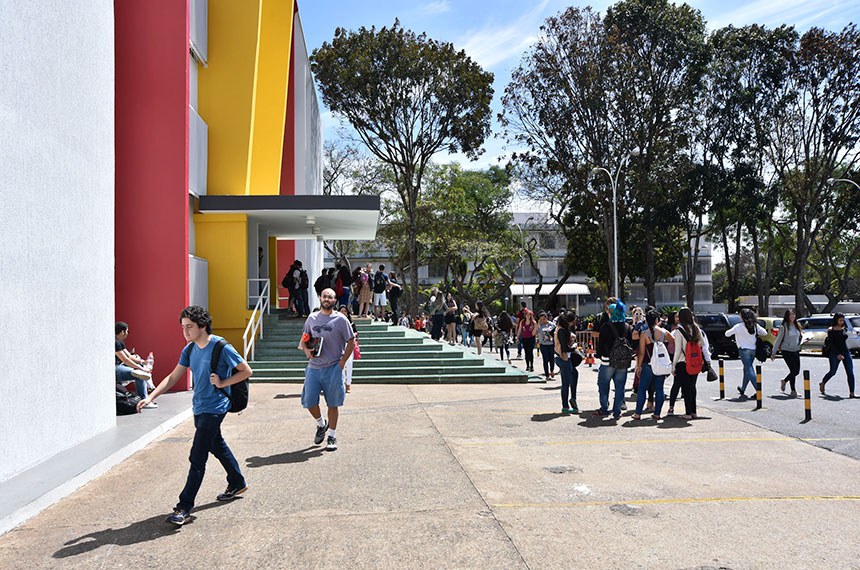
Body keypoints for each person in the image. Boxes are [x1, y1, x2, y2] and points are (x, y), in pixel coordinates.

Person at [136, 306, 253, 526]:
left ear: (203, 326)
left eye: (189, 327)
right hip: (199, 407)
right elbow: (172, 377)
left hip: (216, 407)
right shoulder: (189, 350)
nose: (185, 331)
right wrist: (151, 396)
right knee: (216, 444)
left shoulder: (221, 347)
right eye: (183, 327)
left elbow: (246, 370)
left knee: (197, 456)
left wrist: (223, 382)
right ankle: (237, 482)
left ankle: (184, 507)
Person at [300, 288, 356, 451]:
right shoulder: (311, 318)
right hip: (314, 368)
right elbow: (304, 339)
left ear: (334, 300)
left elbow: (351, 341)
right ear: (320, 298)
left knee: (333, 403)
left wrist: (342, 363)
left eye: (330, 297)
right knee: (309, 401)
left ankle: (332, 436)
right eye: (325, 296)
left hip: (333, 367)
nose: (327, 299)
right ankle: (321, 424)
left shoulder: (340, 319)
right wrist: (307, 352)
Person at [594, 301, 633, 419]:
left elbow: (600, 345)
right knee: (620, 386)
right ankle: (617, 411)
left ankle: (604, 408)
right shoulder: (627, 327)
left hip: (607, 361)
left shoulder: (606, 327)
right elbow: (631, 344)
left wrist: (600, 355)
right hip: (623, 362)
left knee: (603, 385)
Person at [633, 311, 672, 420]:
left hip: (648, 365)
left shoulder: (644, 334)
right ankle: (657, 413)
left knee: (642, 389)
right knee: (659, 389)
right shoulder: (664, 332)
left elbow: (641, 352)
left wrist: (638, 366)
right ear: (657, 320)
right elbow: (673, 341)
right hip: (660, 365)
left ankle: (638, 413)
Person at [725, 308, 767, 399]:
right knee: (746, 369)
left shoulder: (738, 326)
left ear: (742, 317)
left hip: (743, 350)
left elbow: (727, 334)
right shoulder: (755, 325)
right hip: (753, 350)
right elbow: (765, 332)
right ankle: (743, 388)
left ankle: (758, 390)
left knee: (749, 369)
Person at [670, 307, 703, 420]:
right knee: (692, 387)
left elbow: (678, 350)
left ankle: (688, 413)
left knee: (686, 388)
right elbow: (701, 343)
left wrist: (673, 365)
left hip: (682, 363)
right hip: (694, 362)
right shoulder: (696, 328)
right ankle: (694, 412)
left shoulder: (679, 331)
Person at [115, 322, 156, 406]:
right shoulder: (115, 343)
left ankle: (146, 394)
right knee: (139, 374)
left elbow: (129, 357)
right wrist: (141, 369)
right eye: (127, 331)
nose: (127, 333)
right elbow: (125, 359)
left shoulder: (120, 342)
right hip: (114, 369)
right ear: (122, 332)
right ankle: (144, 400)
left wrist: (143, 362)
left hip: (120, 367)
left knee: (140, 372)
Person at [819, 313, 856, 398]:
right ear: (836, 320)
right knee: (833, 371)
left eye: (843, 320)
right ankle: (823, 382)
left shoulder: (844, 328)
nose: (841, 322)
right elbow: (831, 343)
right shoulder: (831, 330)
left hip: (846, 352)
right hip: (834, 353)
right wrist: (837, 354)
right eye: (840, 320)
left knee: (850, 372)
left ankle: (852, 392)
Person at [772, 309, 803, 397]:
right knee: (793, 370)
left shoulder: (797, 326)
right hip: (786, 350)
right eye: (790, 315)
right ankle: (793, 391)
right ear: (787, 316)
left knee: (797, 371)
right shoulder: (784, 327)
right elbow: (778, 339)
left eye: (793, 314)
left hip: (795, 350)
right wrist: (774, 352)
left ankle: (784, 381)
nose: (792, 316)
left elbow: (799, 337)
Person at [554, 315, 578, 413]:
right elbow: (564, 348)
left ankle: (572, 399)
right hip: (563, 358)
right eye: (573, 321)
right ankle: (565, 406)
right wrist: (574, 347)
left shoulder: (559, 329)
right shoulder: (562, 331)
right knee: (565, 383)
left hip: (562, 358)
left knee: (574, 374)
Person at [339, 306, 358, 394]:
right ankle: (342, 384)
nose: (343, 313)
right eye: (341, 311)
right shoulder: (336, 322)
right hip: (339, 345)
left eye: (345, 311)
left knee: (349, 364)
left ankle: (348, 384)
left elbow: (356, 333)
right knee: (341, 365)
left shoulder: (351, 323)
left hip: (349, 345)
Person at [537, 312, 557, 380]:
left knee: (552, 359)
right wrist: (538, 324)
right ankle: (546, 374)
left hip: (551, 344)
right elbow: (536, 332)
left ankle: (552, 370)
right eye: (541, 319)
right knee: (545, 359)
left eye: (543, 319)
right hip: (543, 344)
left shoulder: (552, 325)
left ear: (546, 318)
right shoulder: (540, 326)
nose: (542, 320)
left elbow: (555, 333)